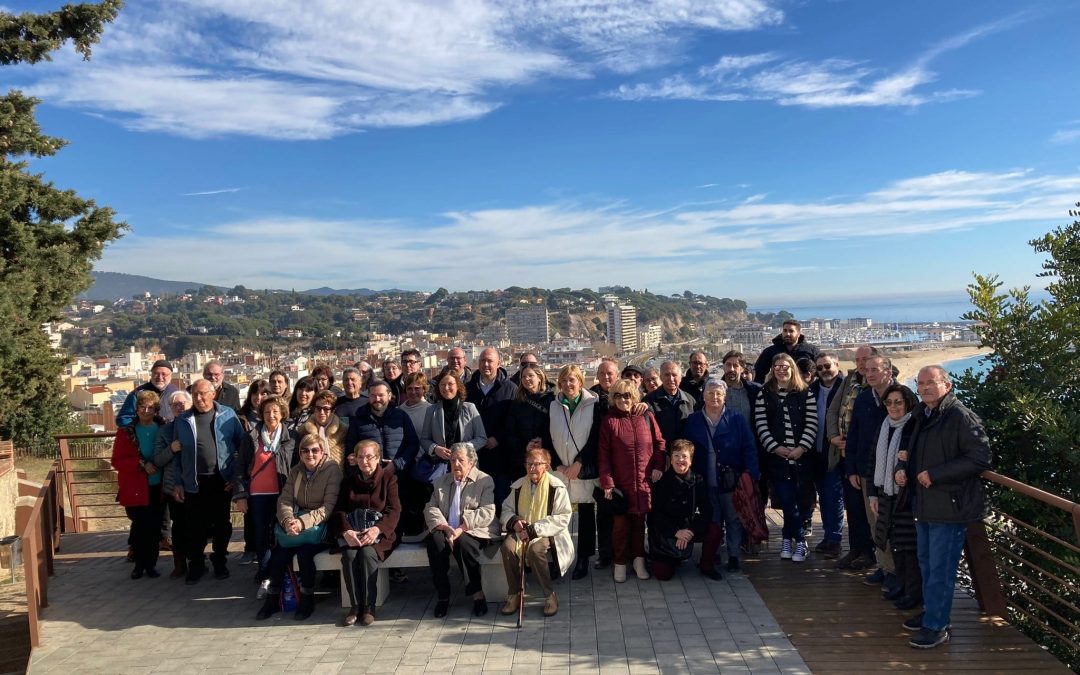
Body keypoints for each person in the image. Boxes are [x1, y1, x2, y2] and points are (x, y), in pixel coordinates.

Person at [895, 366, 990, 649]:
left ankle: (937, 626)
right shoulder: (924, 414)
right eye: (920, 383)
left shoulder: (960, 415)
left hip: (949, 506)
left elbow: (981, 457)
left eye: (930, 383)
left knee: (940, 568)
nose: (924, 388)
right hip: (925, 504)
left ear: (946, 386)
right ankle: (934, 614)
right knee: (926, 563)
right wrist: (903, 466)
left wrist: (936, 474)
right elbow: (915, 452)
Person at [164, 379, 246, 584]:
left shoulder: (228, 415)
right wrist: (178, 483)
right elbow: (177, 456)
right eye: (195, 395)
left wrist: (235, 478)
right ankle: (197, 564)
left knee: (221, 525)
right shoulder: (183, 420)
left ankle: (220, 561)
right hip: (193, 481)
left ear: (213, 394)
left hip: (221, 480)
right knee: (194, 526)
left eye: (203, 394)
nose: (199, 398)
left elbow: (242, 448)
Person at [256, 436, 342, 621]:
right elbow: (285, 500)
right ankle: (272, 599)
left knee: (305, 554)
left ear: (322, 452)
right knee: (279, 555)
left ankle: (307, 599)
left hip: (321, 528)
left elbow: (328, 506)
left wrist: (303, 522)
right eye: (305, 451)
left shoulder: (332, 470)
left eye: (314, 450)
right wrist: (288, 521)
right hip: (295, 526)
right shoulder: (296, 471)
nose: (310, 454)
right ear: (300, 453)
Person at [683, 379, 759, 574]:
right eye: (710, 393)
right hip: (705, 480)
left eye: (718, 394)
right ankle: (712, 553)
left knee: (733, 520)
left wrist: (751, 473)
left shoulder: (737, 418)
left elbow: (749, 447)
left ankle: (733, 556)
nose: (714, 397)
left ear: (724, 397)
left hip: (731, 480)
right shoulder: (693, 420)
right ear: (703, 396)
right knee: (713, 520)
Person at [598, 378, 666, 582]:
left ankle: (638, 560)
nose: (623, 400)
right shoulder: (609, 422)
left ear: (634, 397)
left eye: (627, 395)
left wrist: (658, 467)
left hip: (643, 482)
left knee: (639, 524)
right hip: (621, 484)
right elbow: (603, 455)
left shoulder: (646, 417)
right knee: (620, 526)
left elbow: (660, 443)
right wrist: (607, 482)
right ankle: (620, 563)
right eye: (618, 395)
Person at [424, 443, 500, 618]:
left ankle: (477, 594)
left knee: (464, 543)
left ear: (471, 462)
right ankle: (443, 596)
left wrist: (461, 528)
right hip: (447, 528)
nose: (456, 464)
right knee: (435, 542)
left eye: (461, 460)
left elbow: (487, 511)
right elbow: (430, 507)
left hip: (474, 530)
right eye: (453, 460)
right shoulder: (441, 481)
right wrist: (444, 527)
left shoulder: (484, 480)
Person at [754, 353, 818, 562]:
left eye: (785, 366)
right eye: (777, 366)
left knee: (799, 502)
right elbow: (761, 424)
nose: (781, 370)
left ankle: (787, 538)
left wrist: (802, 447)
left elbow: (812, 422)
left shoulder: (804, 392)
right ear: (772, 370)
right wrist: (774, 447)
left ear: (792, 369)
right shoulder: (764, 393)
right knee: (788, 502)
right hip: (777, 460)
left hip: (802, 459)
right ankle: (798, 541)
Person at [499, 448, 573, 618]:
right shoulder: (518, 486)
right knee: (507, 548)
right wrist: (514, 521)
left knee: (535, 550)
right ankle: (514, 594)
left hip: (547, 532)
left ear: (546, 466)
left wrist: (533, 530)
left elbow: (562, 518)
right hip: (521, 530)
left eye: (537, 464)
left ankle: (549, 595)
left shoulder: (556, 487)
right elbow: (506, 509)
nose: (532, 468)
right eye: (529, 464)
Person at [846, 354, 899, 589]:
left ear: (888, 371)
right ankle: (885, 567)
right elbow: (854, 434)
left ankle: (898, 572)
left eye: (875, 369)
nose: (870, 374)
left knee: (894, 524)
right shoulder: (864, 398)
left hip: (894, 473)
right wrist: (852, 469)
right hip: (867, 470)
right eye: (867, 370)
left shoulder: (900, 397)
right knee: (874, 523)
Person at [336, 439, 401, 626]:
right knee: (349, 554)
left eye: (370, 457)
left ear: (378, 458)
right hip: (355, 531)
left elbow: (394, 510)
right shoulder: (349, 482)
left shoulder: (389, 479)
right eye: (361, 457)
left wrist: (377, 529)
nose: (365, 461)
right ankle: (355, 606)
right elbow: (340, 510)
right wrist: (346, 531)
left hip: (380, 533)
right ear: (355, 459)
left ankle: (369, 607)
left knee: (366, 554)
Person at [233, 395, 295, 591]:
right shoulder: (251, 437)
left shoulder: (292, 437)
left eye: (275, 411)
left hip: (283, 493)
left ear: (282, 413)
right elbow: (240, 468)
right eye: (267, 412)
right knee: (262, 535)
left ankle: (283, 570)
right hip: (258, 494)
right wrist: (241, 496)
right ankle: (265, 571)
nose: (271, 415)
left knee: (282, 533)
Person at [826, 344, 878, 570]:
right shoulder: (849, 380)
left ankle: (871, 553)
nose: (860, 363)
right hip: (846, 453)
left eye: (864, 359)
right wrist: (833, 437)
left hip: (868, 457)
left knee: (870, 507)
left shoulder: (881, 382)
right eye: (857, 359)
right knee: (853, 506)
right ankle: (856, 548)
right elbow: (833, 410)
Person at [547, 365, 600, 580]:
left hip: (582, 470)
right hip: (560, 470)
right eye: (565, 380)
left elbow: (595, 438)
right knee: (557, 517)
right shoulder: (552, 406)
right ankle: (558, 558)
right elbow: (546, 436)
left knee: (586, 516)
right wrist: (558, 465)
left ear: (581, 381)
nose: (569, 385)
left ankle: (583, 559)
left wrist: (579, 463)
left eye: (573, 380)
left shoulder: (594, 405)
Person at [872, 384, 921, 611]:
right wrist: (874, 493)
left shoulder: (914, 425)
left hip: (907, 496)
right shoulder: (885, 425)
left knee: (909, 546)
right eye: (888, 402)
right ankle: (901, 585)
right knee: (896, 543)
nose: (893, 407)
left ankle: (912, 592)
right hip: (887, 492)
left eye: (898, 402)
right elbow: (875, 458)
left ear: (908, 402)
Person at [111, 390, 165, 579]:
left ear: (156, 409)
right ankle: (139, 564)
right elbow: (117, 460)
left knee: (154, 527)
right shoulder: (126, 432)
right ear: (137, 409)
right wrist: (141, 465)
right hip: (136, 486)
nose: (146, 411)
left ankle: (151, 564)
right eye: (142, 407)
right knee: (140, 526)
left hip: (158, 486)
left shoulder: (163, 427)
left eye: (150, 407)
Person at [648, 440, 718, 580]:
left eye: (684, 456)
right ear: (671, 459)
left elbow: (707, 510)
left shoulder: (698, 480)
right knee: (662, 575)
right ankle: (673, 559)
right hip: (668, 532)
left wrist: (691, 531)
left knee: (714, 530)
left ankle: (706, 566)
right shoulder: (661, 482)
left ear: (691, 460)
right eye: (676, 456)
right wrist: (676, 532)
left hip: (689, 528)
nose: (680, 460)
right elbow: (655, 516)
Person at [466, 347, 518, 508]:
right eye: (482, 361)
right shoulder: (468, 389)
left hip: (500, 455)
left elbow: (514, 420)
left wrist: (498, 438)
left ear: (499, 364)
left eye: (490, 361)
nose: (486, 364)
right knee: (475, 499)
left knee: (500, 498)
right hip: (474, 454)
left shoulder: (510, 389)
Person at [419, 369, 488, 484]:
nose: (446, 388)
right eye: (442, 384)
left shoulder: (470, 408)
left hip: (466, 467)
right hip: (441, 468)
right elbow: (424, 439)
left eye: (450, 384)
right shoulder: (431, 410)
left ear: (458, 386)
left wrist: (464, 448)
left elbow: (482, 438)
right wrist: (436, 449)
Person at [809, 353, 845, 558]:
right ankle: (829, 536)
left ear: (837, 365)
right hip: (816, 452)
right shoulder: (812, 390)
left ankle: (834, 538)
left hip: (836, 452)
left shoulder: (846, 388)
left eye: (827, 366)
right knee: (824, 496)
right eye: (820, 367)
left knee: (834, 496)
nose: (824, 370)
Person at [153, 390, 192, 579]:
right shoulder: (165, 431)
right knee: (178, 527)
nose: (180, 407)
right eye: (175, 404)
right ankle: (179, 563)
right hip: (172, 487)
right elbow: (157, 460)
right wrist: (171, 449)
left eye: (183, 403)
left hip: (195, 484)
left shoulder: (198, 425)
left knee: (197, 525)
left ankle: (196, 560)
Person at [344, 379, 419, 473]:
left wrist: (397, 464)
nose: (377, 399)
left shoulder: (401, 416)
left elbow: (413, 445)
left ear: (389, 396)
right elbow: (351, 448)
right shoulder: (358, 420)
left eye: (381, 395)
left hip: (400, 476)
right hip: (370, 476)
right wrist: (353, 459)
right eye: (373, 395)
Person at [502, 363, 553, 487]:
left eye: (530, 375)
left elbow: (557, 429)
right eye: (523, 377)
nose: (527, 379)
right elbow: (509, 432)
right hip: (522, 461)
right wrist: (525, 446)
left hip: (546, 460)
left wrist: (543, 442)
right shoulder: (517, 404)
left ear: (540, 377)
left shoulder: (552, 401)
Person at [644, 360, 696, 446]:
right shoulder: (649, 401)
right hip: (662, 454)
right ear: (661, 377)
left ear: (680, 378)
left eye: (674, 375)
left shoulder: (690, 400)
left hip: (685, 455)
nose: (671, 379)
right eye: (667, 375)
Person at [753, 320, 822, 384]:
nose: (787, 334)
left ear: (798, 334)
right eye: (785, 330)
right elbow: (759, 373)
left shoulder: (811, 351)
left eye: (791, 331)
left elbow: (820, 372)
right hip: (778, 392)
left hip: (807, 392)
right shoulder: (770, 351)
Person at [116, 359, 179, 427]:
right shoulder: (138, 393)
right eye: (156, 373)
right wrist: (141, 426)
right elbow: (123, 419)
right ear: (151, 374)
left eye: (164, 374)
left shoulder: (176, 393)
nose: (160, 377)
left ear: (170, 376)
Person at [299, 390, 348, 466]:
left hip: (336, 476)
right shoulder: (303, 431)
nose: (322, 412)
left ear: (333, 410)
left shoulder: (343, 431)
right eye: (318, 408)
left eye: (326, 409)